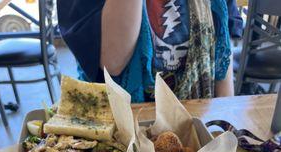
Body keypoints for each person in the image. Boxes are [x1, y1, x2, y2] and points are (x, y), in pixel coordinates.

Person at [57, 0, 242, 102]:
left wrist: (223, 124)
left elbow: (221, 54)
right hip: (115, 136)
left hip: (196, 125)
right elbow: (113, 62)